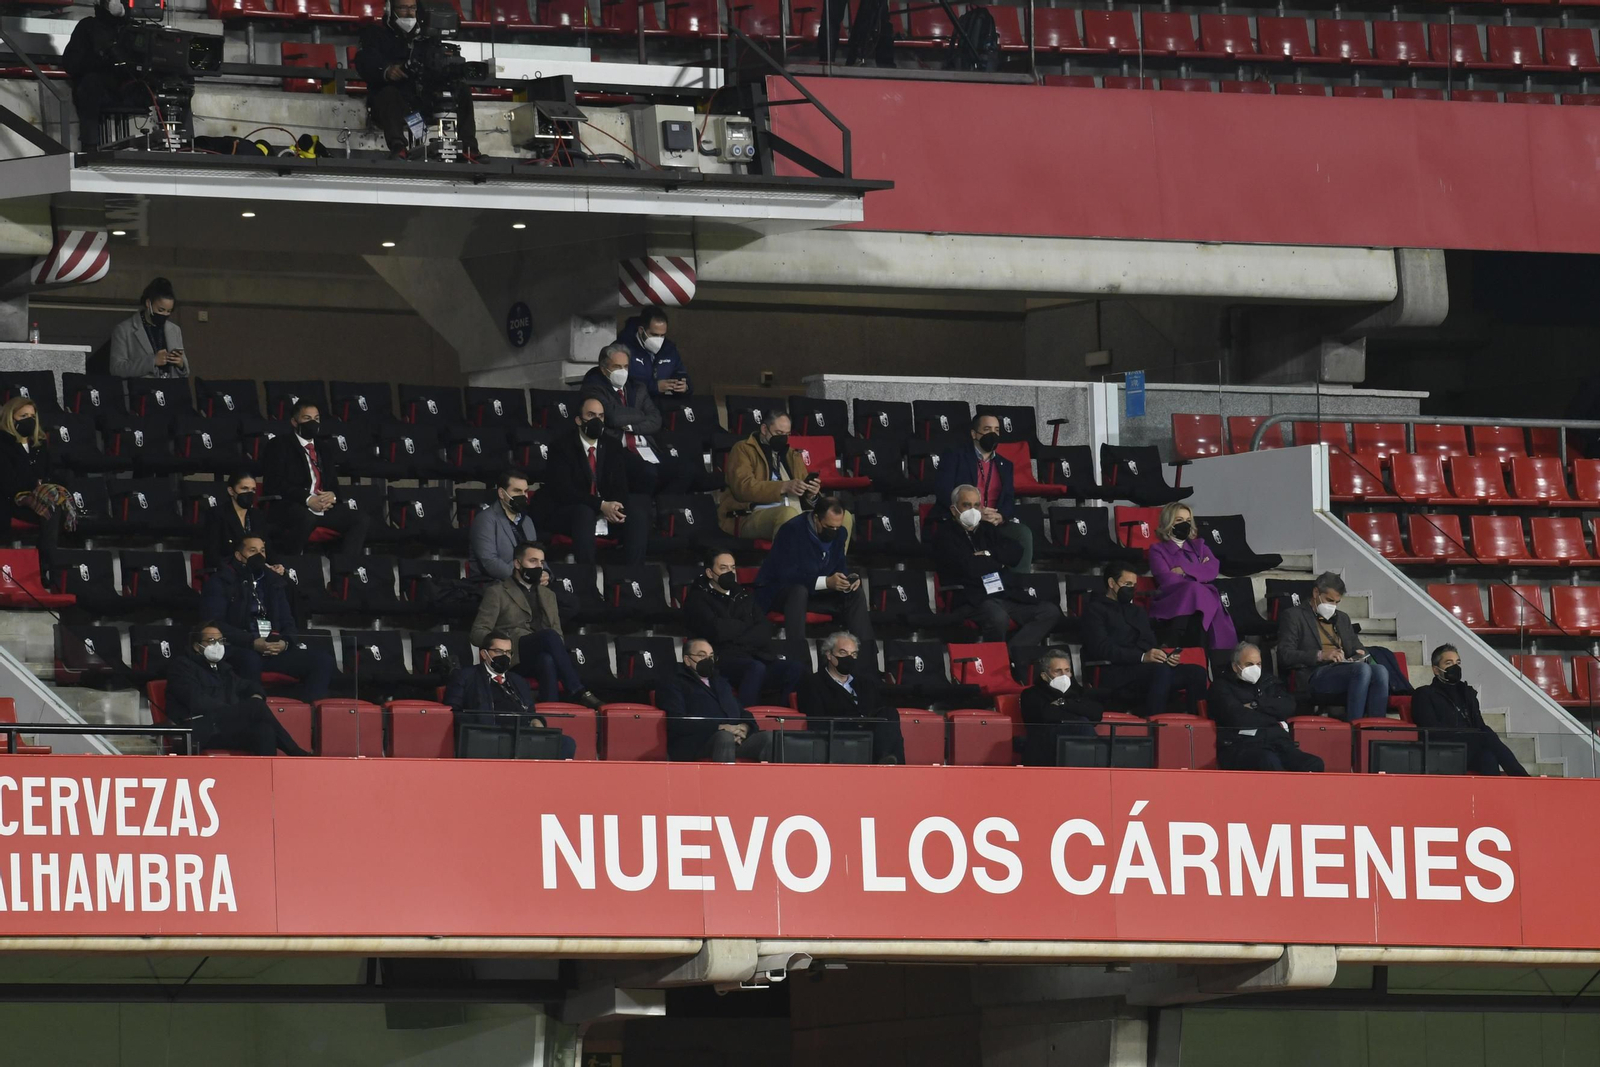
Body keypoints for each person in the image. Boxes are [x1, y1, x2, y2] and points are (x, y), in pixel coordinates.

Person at [198, 536, 335, 703]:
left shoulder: (273, 581)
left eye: (262, 551)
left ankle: (307, 714)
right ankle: (253, 712)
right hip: (238, 647)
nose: (259, 555)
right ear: (239, 555)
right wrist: (252, 642)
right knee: (250, 660)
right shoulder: (220, 581)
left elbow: (288, 621)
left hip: (271, 650)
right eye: (252, 551)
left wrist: (285, 642)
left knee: (322, 660)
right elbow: (214, 623)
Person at [468, 541, 602, 710]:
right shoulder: (497, 592)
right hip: (513, 655)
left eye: (541, 562)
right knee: (549, 636)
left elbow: (557, 633)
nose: (538, 566)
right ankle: (577, 690)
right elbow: (477, 633)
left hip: (539, 655)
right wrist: (500, 644)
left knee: (547, 659)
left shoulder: (548, 595)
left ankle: (550, 712)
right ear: (517, 563)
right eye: (533, 561)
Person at [929, 483, 1061, 648]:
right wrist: (997, 560)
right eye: (966, 505)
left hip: (1002, 593)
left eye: (976, 505)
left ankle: (1011, 654)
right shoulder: (944, 535)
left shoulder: (986, 529)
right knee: (998, 618)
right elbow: (970, 568)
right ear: (953, 509)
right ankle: (996, 660)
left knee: (1049, 611)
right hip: (972, 598)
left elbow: (1015, 552)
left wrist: (986, 554)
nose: (972, 510)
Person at [755, 496, 876, 666]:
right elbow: (787, 575)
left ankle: (868, 665)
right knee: (798, 591)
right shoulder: (791, 531)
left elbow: (840, 566)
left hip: (814, 594)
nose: (833, 531)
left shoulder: (840, 533)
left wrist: (849, 580)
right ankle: (799, 665)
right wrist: (826, 582)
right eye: (829, 527)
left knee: (855, 594)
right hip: (780, 592)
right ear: (817, 518)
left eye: (837, 527)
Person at [354, 0, 481, 161]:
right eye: (403, 8)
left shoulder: (428, 37)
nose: (409, 13)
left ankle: (469, 149)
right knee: (388, 93)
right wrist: (386, 70)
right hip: (393, 105)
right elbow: (364, 61)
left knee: (461, 89)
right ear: (389, 9)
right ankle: (398, 148)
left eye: (412, 8)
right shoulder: (374, 33)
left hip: (423, 101)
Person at [1081, 562, 1209, 718]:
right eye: (1127, 584)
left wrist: (1163, 657)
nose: (1131, 589)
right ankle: (1154, 725)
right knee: (1160, 671)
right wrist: (1142, 657)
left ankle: (1196, 724)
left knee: (1196, 672)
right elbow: (1101, 648)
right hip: (1115, 671)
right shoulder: (1095, 609)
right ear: (1111, 583)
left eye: (1134, 585)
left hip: (1144, 669)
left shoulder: (1138, 611)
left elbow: (1150, 642)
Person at [164, 623, 312, 756]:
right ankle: (295, 752)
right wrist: (235, 711)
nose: (217, 645)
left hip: (222, 728)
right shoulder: (182, 667)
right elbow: (196, 701)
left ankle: (267, 780)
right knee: (254, 707)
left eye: (221, 641)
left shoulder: (222, 668)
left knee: (264, 730)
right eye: (211, 641)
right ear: (197, 647)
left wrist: (255, 695)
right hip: (200, 729)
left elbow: (247, 685)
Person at [682, 549, 805, 706]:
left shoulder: (744, 595)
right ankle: (745, 719)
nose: (730, 572)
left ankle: (780, 718)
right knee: (755, 668)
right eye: (723, 568)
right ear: (709, 572)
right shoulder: (697, 598)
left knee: (795, 669)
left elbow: (765, 629)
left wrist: (736, 633)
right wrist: (747, 626)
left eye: (732, 568)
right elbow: (717, 630)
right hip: (720, 661)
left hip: (752, 656)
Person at [536, 397, 650, 565]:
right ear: (578, 420)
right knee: (584, 512)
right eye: (591, 415)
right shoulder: (561, 446)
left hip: (604, 510)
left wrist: (614, 506)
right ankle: (586, 575)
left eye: (601, 416)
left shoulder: (612, 445)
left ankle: (634, 574)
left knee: (636, 514)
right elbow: (564, 491)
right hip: (570, 511)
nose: (597, 420)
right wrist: (600, 505)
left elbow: (620, 484)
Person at [580, 342, 696, 496]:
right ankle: (641, 511)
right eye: (616, 367)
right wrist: (641, 414)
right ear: (603, 369)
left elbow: (655, 420)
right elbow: (613, 416)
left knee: (685, 470)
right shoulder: (594, 388)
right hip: (617, 449)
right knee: (647, 473)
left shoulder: (637, 387)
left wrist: (633, 427)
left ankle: (663, 508)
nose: (622, 371)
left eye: (626, 366)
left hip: (646, 447)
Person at [259, 400, 370, 561]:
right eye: (307, 418)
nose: (313, 423)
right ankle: (290, 564)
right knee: (306, 518)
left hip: (322, 507)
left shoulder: (324, 448)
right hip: (291, 505)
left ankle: (344, 569)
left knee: (360, 519)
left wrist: (331, 496)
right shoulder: (279, 445)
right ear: (294, 422)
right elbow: (274, 483)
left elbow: (333, 485)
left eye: (316, 418)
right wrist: (308, 499)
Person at [1277, 571, 1392, 722]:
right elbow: (1285, 655)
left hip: (1344, 669)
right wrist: (1321, 655)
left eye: (1337, 602)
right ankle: (1354, 728)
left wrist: (1359, 654)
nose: (1333, 606)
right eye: (1329, 600)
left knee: (1380, 671)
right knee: (1362, 670)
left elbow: (1359, 648)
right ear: (1316, 592)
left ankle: (1376, 729)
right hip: (1314, 673)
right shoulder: (1294, 616)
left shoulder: (1342, 618)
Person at [443, 631, 576, 759]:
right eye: (499, 651)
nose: (504, 656)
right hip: (489, 737)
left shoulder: (519, 681)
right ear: (484, 654)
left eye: (508, 652)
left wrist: (538, 721)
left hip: (521, 736)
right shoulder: (466, 677)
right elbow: (452, 712)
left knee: (566, 743)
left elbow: (531, 712)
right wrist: (480, 727)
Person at [718, 409, 844, 543]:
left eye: (787, 434)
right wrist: (783, 486)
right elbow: (742, 488)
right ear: (764, 429)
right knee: (788, 514)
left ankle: (831, 563)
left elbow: (803, 491)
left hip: (795, 509)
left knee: (842, 516)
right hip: (751, 515)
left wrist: (811, 494)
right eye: (778, 433)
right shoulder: (743, 449)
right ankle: (787, 564)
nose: (783, 437)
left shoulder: (791, 454)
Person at [933, 413, 1032, 573]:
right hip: (964, 522)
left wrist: (1001, 516)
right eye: (987, 429)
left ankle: (1020, 586)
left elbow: (1008, 498)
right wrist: (977, 512)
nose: (992, 434)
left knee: (1022, 533)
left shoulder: (1005, 465)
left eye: (996, 430)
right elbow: (944, 491)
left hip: (991, 524)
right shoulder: (955, 456)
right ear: (974, 434)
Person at [1411, 644, 1528, 777]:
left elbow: (1479, 725)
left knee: (1488, 757)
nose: (1454, 667)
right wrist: (1465, 735)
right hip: (1442, 749)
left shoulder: (1467, 693)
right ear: (1436, 670)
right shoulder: (1424, 694)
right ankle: (1522, 777)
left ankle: (1493, 796)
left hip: (1470, 749)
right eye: (1448, 663)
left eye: (1457, 662)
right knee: (1487, 734)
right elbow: (1430, 730)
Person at [1209, 642, 1324, 772]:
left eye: (1258, 664)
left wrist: (1256, 705)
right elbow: (1238, 717)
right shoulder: (1221, 687)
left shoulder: (1269, 681)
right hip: (1240, 745)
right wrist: (1273, 717)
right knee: (1268, 760)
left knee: (1313, 764)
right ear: (1235, 667)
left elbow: (1288, 706)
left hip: (1278, 742)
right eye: (1249, 664)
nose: (1255, 669)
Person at [796, 631, 904, 764]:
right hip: (838, 736)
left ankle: (890, 764)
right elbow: (817, 720)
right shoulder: (813, 682)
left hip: (869, 735)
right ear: (829, 654)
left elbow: (878, 713)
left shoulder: (866, 683)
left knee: (890, 713)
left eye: (853, 654)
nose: (849, 658)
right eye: (843, 653)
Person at [659, 638, 774, 763]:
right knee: (725, 737)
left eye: (711, 656)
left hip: (734, 739)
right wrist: (720, 727)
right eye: (702, 655)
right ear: (687, 660)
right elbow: (677, 721)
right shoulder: (674, 683)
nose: (708, 660)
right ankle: (724, 782)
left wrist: (744, 727)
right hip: (697, 743)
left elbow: (741, 711)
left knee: (770, 738)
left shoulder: (720, 682)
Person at [1147, 501, 1237, 654]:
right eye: (1179, 520)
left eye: (1188, 521)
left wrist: (1184, 570)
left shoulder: (1200, 546)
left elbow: (1212, 569)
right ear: (1169, 522)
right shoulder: (1157, 550)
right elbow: (1166, 579)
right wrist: (1198, 573)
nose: (1185, 524)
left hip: (1203, 601)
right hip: (1172, 599)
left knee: (1197, 592)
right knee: (1194, 589)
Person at [0, 397, 73, 583]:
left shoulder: (39, 444)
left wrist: (39, 484)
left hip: (39, 501)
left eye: (32, 416)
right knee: (52, 507)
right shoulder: (3, 444)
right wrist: (35, 483)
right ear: (11, 418)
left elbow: (49, 473)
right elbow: (8, 480)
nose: (29, 420)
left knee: (52, 506)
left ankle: (46, 565)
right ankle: (48, 566)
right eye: (23, 416)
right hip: (12, 501)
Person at [62, 0, 151, 152]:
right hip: (102, 89)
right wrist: (102, 59)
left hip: (130, 88)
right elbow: (71, 64)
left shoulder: (134, 30)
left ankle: (184, 142)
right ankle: (89, 147)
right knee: (90, 84)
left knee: (177, 84)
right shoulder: (88, 27)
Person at [1018, 649, 1103, 767]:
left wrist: (1063, 703)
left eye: (1067, 670)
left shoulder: (1077, 692)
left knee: (1083, 724)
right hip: (1043, 749)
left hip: (1073, 749)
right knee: (1083, 724)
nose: (1064, 675)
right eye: (1057, 671)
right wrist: (1078, 711)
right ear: (1044, 675)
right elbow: (1046, 715)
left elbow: (1096, 713)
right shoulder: (1031, 694)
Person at [108, 278, 188, 380]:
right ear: (148, 303)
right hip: (141, 392)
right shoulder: (124, 330)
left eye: (169, 311)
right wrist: (152, 361)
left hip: (170, 390)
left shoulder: (175, 330)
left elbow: (185, 370)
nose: (165, 314)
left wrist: (180, 364)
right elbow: (116, 369)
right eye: (161, 310)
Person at [470, 469, 537, 582]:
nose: (523, 496)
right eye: (517, 491)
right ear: (501, 493)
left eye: (525, 491)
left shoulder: (527, 521)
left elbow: (537, 556)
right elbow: (490, 562)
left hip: (527, 583)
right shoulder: (485, 519)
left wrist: (545, 573)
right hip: (494, 586)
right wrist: (523, 577)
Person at [616, 305, 692, 398]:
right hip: (633, 408)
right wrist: (654, 387)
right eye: (654, 334)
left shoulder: (669, 349)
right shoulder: (621, 349)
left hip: (661, 407)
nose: (659, 340)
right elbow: (619, 384)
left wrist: (684, 386)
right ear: (641, 330)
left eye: (662, 335)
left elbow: (681, 373)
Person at [203, 471, 265, 573]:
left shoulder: (258, 516)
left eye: (253, 490)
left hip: (258, 571)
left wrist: (277, 565)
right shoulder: (217, 514)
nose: (249, 493)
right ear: (231, 491)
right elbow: (212, 556)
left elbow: (268, 549)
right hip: (230, 573)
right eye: (244, 489)